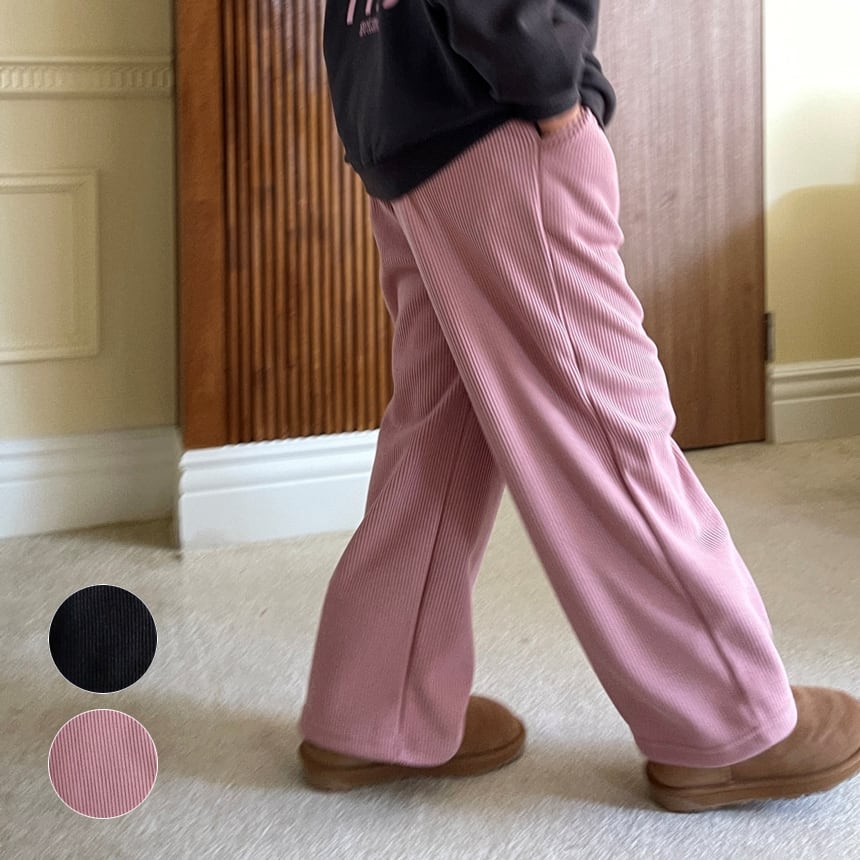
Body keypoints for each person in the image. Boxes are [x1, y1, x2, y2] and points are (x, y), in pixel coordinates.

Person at [297, 0, 860, 811]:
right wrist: (552, 87)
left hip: (400, 114)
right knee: (607, 424)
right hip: (492, 114)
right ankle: (728, 722)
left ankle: (374, 710)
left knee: (442, 432)